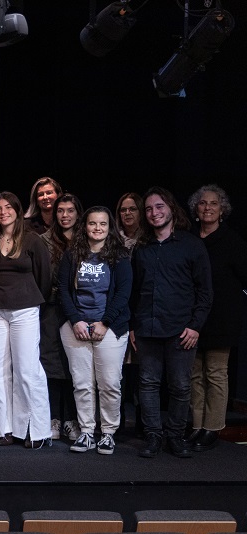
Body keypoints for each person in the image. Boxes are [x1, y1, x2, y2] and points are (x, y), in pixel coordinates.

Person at [130, 186, 212, 458]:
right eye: (150, 209)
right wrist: (132, 325)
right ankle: (153, 437)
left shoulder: (191, 244)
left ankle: (175, 437)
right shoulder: (142, 248)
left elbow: (205, 291)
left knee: (180, 386)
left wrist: (196, 325)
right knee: (149, 384)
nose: (154, 213)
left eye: (159, 207)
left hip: (181, 330)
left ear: (171, 209)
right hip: (147, 328)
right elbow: (134, 290)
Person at [58, 206, 132, 455]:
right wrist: (76, 320)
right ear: (85, 226)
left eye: (103, 224)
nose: (97, 228)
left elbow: (123, 293)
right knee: (82, 383)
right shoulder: (72, 254)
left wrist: (105, 322)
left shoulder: (120, 256)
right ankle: (87, 432)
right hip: (76, 326)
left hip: (109, 327)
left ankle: (108, 433)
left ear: (109, 228)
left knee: (109, 383)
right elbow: (64, 291)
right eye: (92, 224)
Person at [0, 191, 52, 448]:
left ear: (17, 209)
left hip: (24, 309)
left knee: (27, 369)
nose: (3, 212)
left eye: (8, 207)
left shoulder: (32, 240)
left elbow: (44, 279)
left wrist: (32, 300)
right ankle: (2, 428)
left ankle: (35, 430)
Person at [187, 185, 247, 452]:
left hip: (222, 318)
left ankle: (212, 428)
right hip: (192, 318)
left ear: (222, 209)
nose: (207, 208)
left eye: (213, 204)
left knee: (215, 373)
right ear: (196, 209)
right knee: (194, 375)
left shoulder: (233, 241)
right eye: (202, 203)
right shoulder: (188, 239)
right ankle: (197, 426)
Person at [40, 194, 81, 440]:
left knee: (76, 365)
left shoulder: (86, 239)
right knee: (53, 363)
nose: (65, 215)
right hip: (52, 308)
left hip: (82, 310)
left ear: (78, 213)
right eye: (60, 211)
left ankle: (72, 419)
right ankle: (54, 418)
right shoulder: (44, 240)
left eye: (70, 210)